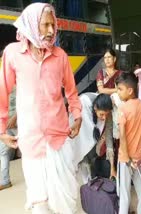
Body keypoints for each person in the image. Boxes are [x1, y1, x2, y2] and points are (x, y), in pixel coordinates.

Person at [0, 3, 82, 214]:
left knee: (66, 197)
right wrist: (1, 131)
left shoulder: (60, 56)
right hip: (31, 139)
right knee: (40, 202)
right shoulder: (12, 53)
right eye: (45, 25)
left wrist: (78, 116)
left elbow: (71, 92)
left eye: (52, 24)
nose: (51, 30)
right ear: (30, 25)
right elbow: (3, 92)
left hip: (60, 138)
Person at [116, 72, 141, 214]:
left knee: (124, 194)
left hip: (125, 159)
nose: (118, 92)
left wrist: (126, 157)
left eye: (120, 89)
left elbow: (122, 135)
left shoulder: (123, 108)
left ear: (130, 90)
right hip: (139, 157)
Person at [72, 93, 116, 182]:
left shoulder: (107, 113)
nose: (104, 118)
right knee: (81, 160)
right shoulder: (84, 104)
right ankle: (86, 185)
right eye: (101, 114)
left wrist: (112, 167)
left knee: (91, 158)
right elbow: (82, 135)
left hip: (91, 143)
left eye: (106, 115)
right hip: (78, 137)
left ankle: (89, 183)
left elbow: (109, 138)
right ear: (95, 109)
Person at [0, 88, 16, 191]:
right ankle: (5, 181)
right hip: (6, 124)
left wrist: (15, 118)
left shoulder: (18, 85)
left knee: (29, 151)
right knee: (3, 152)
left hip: (18, 123)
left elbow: (24, 103)